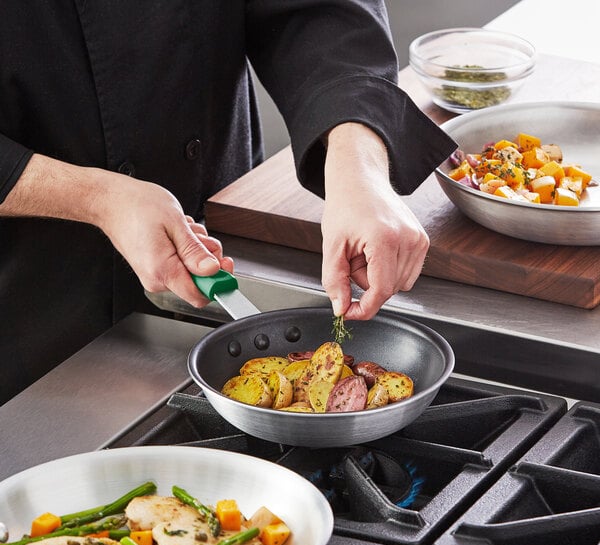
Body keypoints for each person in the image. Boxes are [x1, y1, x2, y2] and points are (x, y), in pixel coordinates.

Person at [0, 2, 456, 403]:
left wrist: (358, 162)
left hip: (212, 224)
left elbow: (317, 10)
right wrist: (95, 197)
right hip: (28, 303)